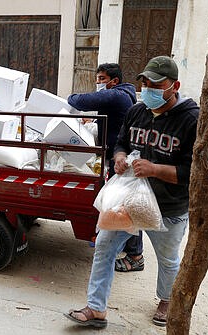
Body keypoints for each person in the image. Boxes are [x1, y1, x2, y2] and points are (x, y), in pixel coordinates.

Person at [64, 55, 199, 328]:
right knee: (103, 246)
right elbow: (121, 143)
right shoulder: (137, 112)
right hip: (128, 202)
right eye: (146, 82)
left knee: (168, 260)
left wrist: (155, 169)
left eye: (156, 84)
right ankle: (96, 309)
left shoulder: (191, 120)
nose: (148, 88)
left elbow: (194, 173)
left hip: (168, 207)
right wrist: (119, 156)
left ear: (175, 86)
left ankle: (166, 300)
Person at [67, 63, 144, 270]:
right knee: (122, 203)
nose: (98, 83)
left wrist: (69, 99)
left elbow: (81, 101)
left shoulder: (117, 95)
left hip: (121, 159)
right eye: (98, 78)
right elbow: (110, 115)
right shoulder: (123, 94)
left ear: (114, 81)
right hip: (118, 156)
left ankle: (136, 256)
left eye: (102, 79)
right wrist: (92, 119)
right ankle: (120, 242)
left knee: (126, 206)